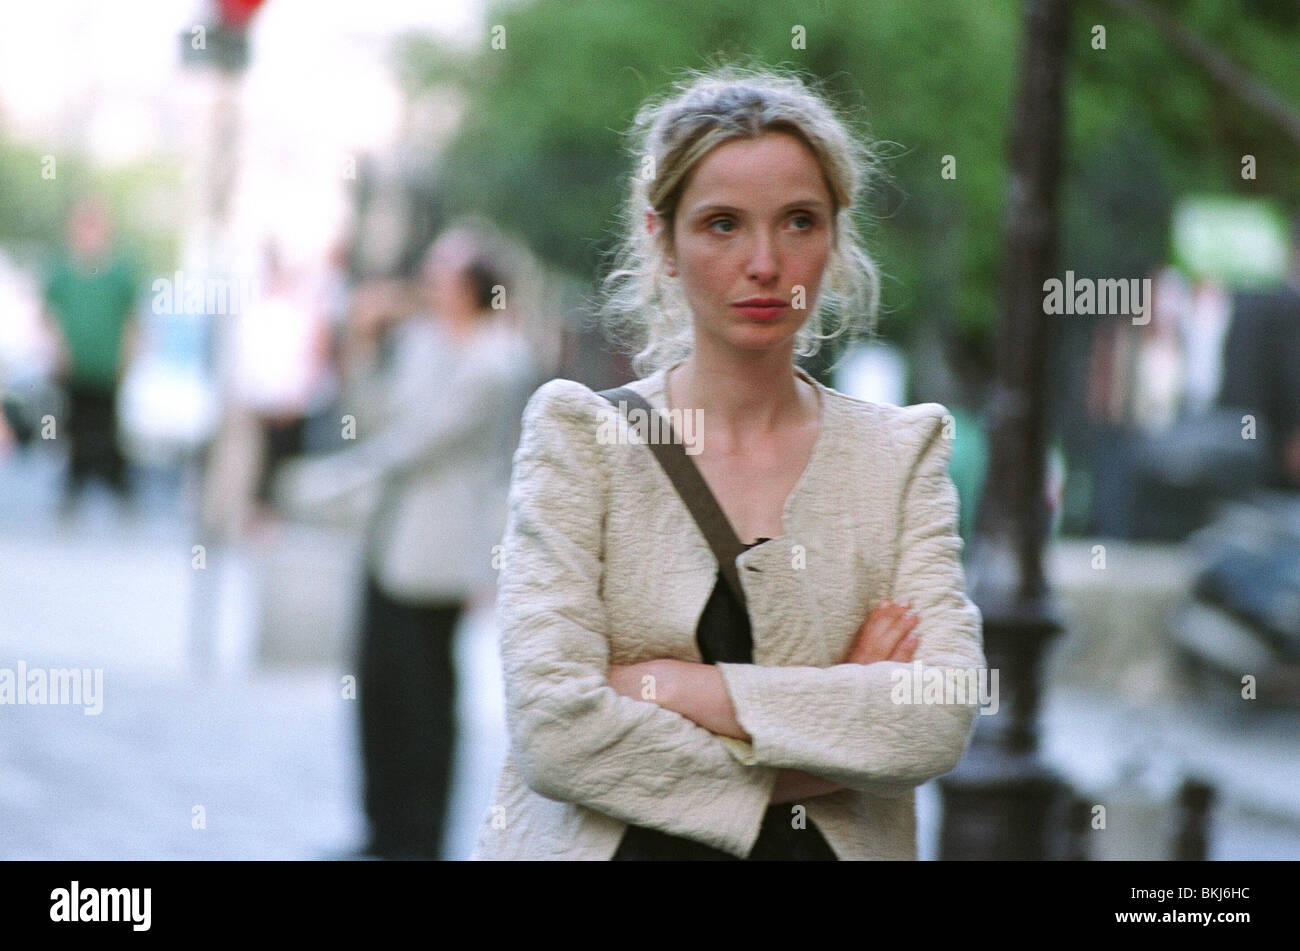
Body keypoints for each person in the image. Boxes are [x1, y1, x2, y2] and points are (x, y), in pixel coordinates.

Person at [472, 65, 986, 861]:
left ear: (834, 237)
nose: (765, 262)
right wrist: (830, 732)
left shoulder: (898, 452)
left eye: (799, 221)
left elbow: (938, 714)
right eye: (722, 224)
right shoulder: (581, 436)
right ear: (663, 241)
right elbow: (554, 732)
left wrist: (685, 687)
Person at [277, 221, 538, 859]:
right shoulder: (421, 343)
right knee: (378, 691)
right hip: (388, 540)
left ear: (473, 284)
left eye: (442, 271)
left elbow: (415, 443)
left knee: (425, 701)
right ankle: (381, 829)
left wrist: (324, 484)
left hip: (438, 552)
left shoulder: (497, 358)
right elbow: (370, 417)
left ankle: (418, 839)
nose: (426, 282)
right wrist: (362, 343)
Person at [41, 198, 141, 513]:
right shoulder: (62, 272)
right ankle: (76, 483)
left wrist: (129, 356)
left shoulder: (120, 274)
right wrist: (57, 350)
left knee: (107, 428)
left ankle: (118, 484)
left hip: (107, 367)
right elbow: (49, 316)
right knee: (75, 427)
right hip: (74, 367)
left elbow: (132, 320)